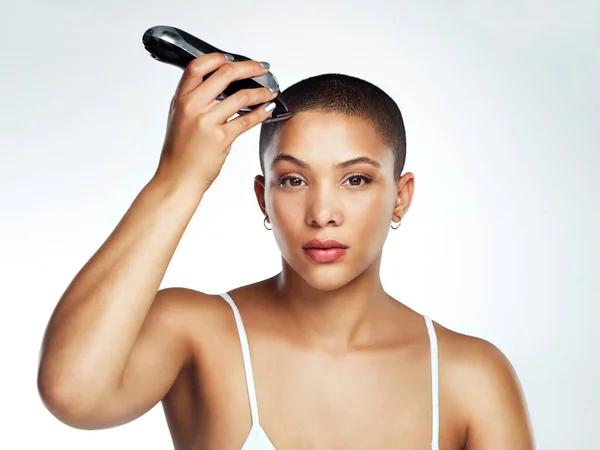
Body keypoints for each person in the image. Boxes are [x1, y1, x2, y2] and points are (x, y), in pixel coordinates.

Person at [37, 52, 535, 449]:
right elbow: (72, 393)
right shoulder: (198, 334)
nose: (323, 212)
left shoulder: (471, 377)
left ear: (400, 197)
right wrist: (180, 177)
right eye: (294, 180)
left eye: (356, 179)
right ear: (264, 199)